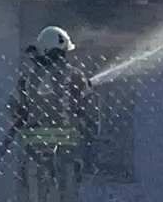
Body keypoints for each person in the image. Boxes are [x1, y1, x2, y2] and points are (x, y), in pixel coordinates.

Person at [6, 25, 98, 202]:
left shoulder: (28, 79)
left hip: (36, 152)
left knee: (36, 195)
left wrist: (28, 113)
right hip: (67, 152)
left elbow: (12, 108)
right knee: (67, 195)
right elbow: (91, 110)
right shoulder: (76, 77)